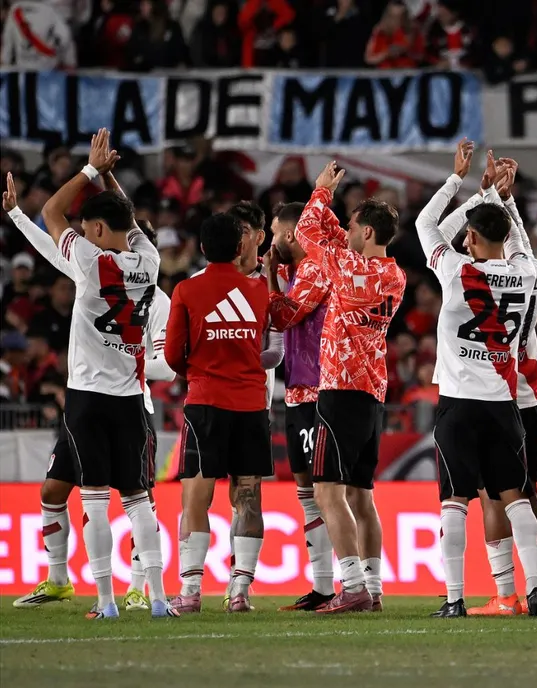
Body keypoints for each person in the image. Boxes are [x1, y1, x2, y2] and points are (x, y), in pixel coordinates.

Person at [5, 172, 172, 614]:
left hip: (87, 398)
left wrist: (92, 171)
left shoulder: (89, 263)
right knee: (137, 500)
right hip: (131, 397)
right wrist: (111, 181)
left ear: (96, 230)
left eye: (86, 227)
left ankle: (107, 601)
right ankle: (157, 599)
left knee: (95, 499)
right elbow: (127, 221)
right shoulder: (151, 262)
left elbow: (52, 214)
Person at [416, 142, 537, 618]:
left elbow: (426, 226)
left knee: (455, 500)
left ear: (471, 238)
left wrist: (468, 187)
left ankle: (454, 598)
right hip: (503, 402)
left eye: (469, 236)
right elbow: (523, 248)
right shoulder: (531, 274)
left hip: (458, 402)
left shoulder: (456, 271)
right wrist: (503, 203)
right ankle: (536, 590)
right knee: (515, 496)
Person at [295, 162, 406, 614]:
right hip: (373, 392)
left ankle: (353, 586)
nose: (347, 233)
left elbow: (306, 235)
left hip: (339, 391)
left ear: (365, 234)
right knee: (362, 495)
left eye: (353, 228)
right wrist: (340, 216)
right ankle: (374, 588)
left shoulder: (347, 268)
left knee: (327, 492)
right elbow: (338, 241)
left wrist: (321, 192)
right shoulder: (393, 275)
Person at [166, 213, 273, 614]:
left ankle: (191, 592)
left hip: (205, 402)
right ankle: (240, 592)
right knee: (247, 497)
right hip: (251, 405)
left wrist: (198, 369)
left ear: (203, 247)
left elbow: (174, 354)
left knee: (196, 496)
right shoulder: (259, 291)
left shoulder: (187, 290)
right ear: (241, 247)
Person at [265, 201, 336, 612]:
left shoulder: (311, 269)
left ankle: (358, 583)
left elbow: (285, 315)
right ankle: (323, 586)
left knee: (330, 493)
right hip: (296, 392)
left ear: (290, 234)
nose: (271, 241)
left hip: (316, 391)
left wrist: (272, 276)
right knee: (308, 493)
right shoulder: (294, 271)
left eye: (275, 232)